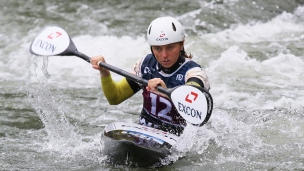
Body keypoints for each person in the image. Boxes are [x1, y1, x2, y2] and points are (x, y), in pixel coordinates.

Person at [91, 16, 210, 136]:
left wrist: (166, 93)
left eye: (170, 47)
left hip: (178, 141)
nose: (164, 55)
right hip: (145, 134)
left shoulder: (193, 72)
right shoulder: (145, 65)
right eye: (157, 48)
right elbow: (115, 97)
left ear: (181, 44)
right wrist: (105, 73)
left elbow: (195, 103)